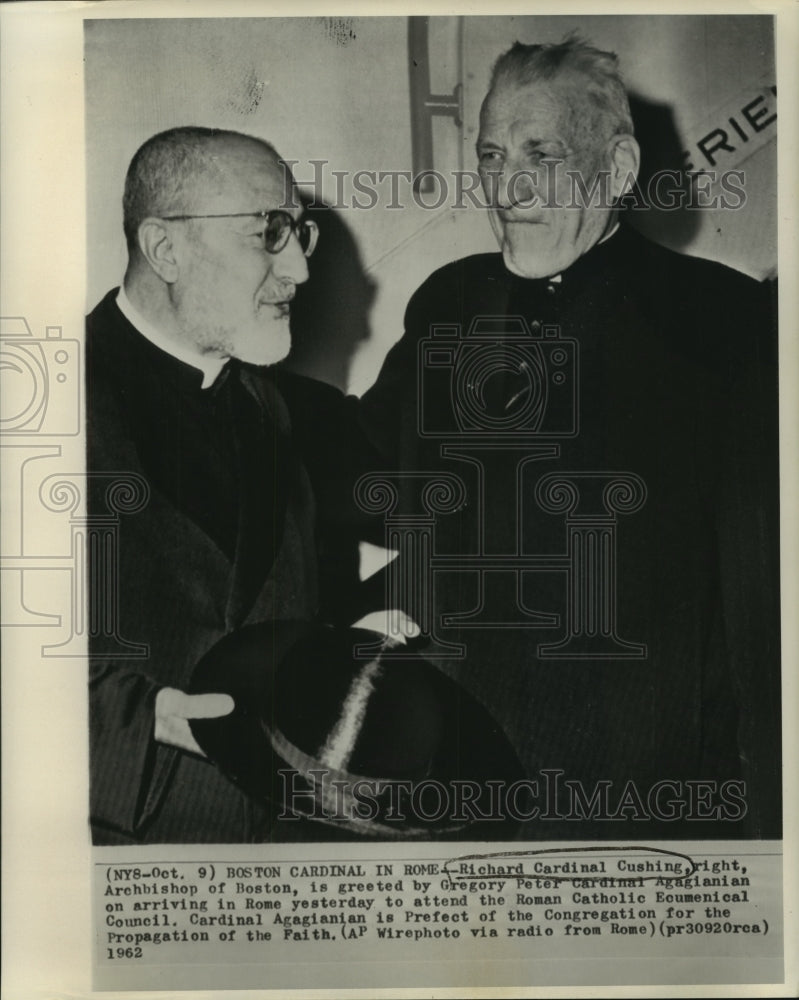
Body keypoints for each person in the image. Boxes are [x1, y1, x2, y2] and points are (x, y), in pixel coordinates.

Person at [360, 38, 780, 837]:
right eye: (490, 154)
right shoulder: (449, 303)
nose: (507, 185)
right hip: (454, 773)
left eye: (539, 154)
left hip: (643, 793)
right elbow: (365, 480)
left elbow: (762, 604)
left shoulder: (725, 323)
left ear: (617, 168)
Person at [87, 127, 384, 844]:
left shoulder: (281, 409)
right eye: (267, 233)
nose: (300, 273)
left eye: (299, 234)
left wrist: (350, 636)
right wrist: (142, 717)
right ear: (165, 250)